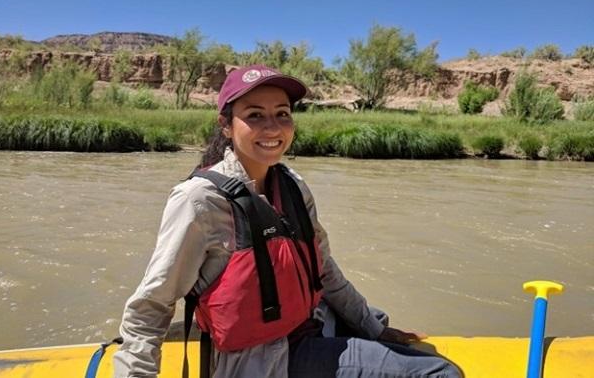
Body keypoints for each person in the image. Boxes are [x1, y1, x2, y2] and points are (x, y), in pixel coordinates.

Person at [113, 65, 461, 378]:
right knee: (440, 373)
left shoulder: (292, 184)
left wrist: (373, 329)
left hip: (309, 324)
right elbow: (150, 307)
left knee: (376, 317)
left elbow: (323, 270)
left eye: (282, 114)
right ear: (226, 125)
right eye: (255, 115)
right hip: (265, 359)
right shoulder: (199, 201)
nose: (273, 127)